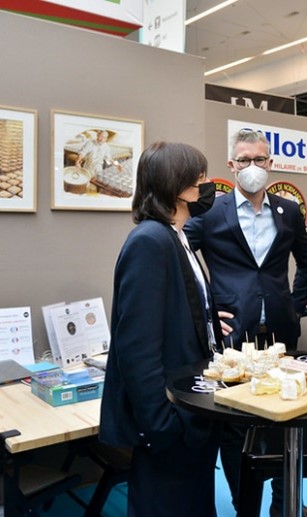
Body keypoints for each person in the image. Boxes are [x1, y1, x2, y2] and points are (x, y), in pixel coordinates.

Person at [184, 129, 307, 516]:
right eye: (244, 160)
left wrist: (294, 305)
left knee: (286, 417)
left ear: (270, 163)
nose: (252, 166)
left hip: (280, 332)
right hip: (233, 337)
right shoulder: (210, 212)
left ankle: (283, 504)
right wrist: (206, 311)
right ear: (232, 165)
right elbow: (181, 258)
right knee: (236, 426)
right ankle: (245, 504)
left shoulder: (288, 210)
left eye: (260, 159)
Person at [99, 141, 223, 516]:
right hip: (170, 420)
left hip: (190, 411)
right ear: (177, 185)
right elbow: (136, 344)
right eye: (199, 178)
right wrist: (162, 425)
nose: (206, 186)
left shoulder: (176, 236)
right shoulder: (150, 241)